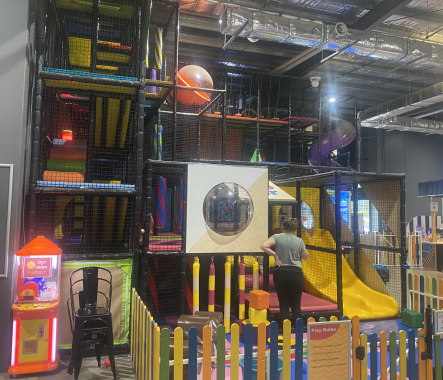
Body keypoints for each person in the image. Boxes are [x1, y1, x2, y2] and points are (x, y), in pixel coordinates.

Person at [260, 218, 309, 326]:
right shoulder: (299, 240)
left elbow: (263, 246)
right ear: (295, 229)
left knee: (284, 303)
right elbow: (305, 256)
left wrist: (275, 254)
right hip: (296, 273)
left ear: (283, 227)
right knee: (296, 305)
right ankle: (299, 330)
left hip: (280, 272)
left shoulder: (277, 237)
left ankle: (285, 329)